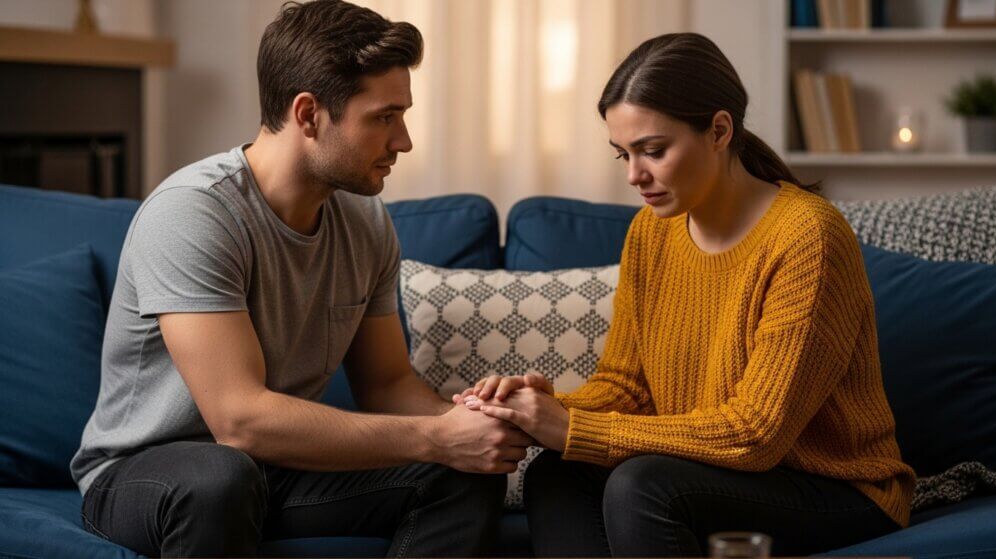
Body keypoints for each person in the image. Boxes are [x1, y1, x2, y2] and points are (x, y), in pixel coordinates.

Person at [72, 2, 529, 557]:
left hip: (271, 467)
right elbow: (238, 420)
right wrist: (434, 437)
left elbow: (386, 384)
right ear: (309, 115)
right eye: (384, 117)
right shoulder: (193, 214)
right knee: (220, 476)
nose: (403, 141)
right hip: (146, 474)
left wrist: (472, 424)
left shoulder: (364, 219)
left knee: (460, 474)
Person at [456, 32, 916, 558]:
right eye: (622, 155)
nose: (635, 175)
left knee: (641, 485)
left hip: (837, 488)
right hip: (711, 471)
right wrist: (538, 410)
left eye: (653, 151)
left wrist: (572, 426)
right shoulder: (651, 233)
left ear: (719, 130)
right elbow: (626, 385)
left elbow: (756, 434)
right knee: (558, 473)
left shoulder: (807, 237)